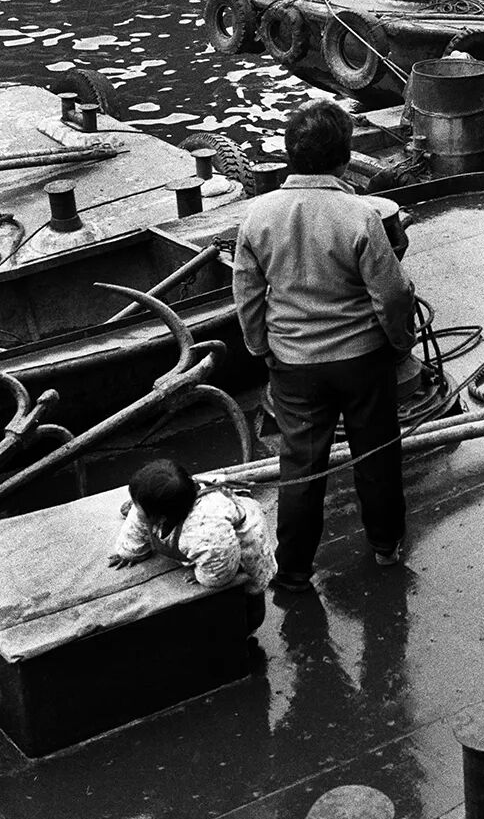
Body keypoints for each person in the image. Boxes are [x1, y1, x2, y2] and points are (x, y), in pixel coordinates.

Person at [233, 100, 416, 591]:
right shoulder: (359, 215)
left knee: (301, 465)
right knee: (376, 454)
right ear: (345, 158)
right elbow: (392, 295)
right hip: (362, 361)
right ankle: (385, 546)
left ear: (290, 154)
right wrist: (399, 343)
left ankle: (293, 569)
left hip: (293, 363)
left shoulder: (258, 215)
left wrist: (262, 347)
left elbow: (246, 294)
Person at [109, 459, 276, 633]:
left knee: (251, 595)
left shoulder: (204, 530)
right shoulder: (159, 506)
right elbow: (137, 524)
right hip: (209, 535)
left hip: (243, 541)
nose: (134, 508)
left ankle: (249, 629)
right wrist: (130, 551)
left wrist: (204, 575)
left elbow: (221, 570)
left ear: (161, 517)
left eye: (138, 505)